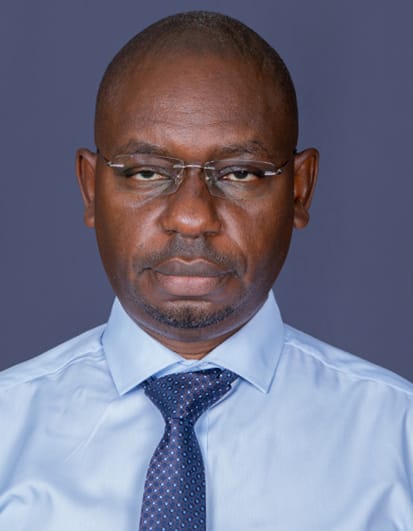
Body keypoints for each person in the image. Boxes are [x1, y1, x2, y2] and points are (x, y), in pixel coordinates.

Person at [0, 11, 412, 531]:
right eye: (146, 172)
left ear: (300, 189)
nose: (192, 217)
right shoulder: (7, 432)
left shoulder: (398, 442)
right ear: (90, 188)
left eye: (240, 173)